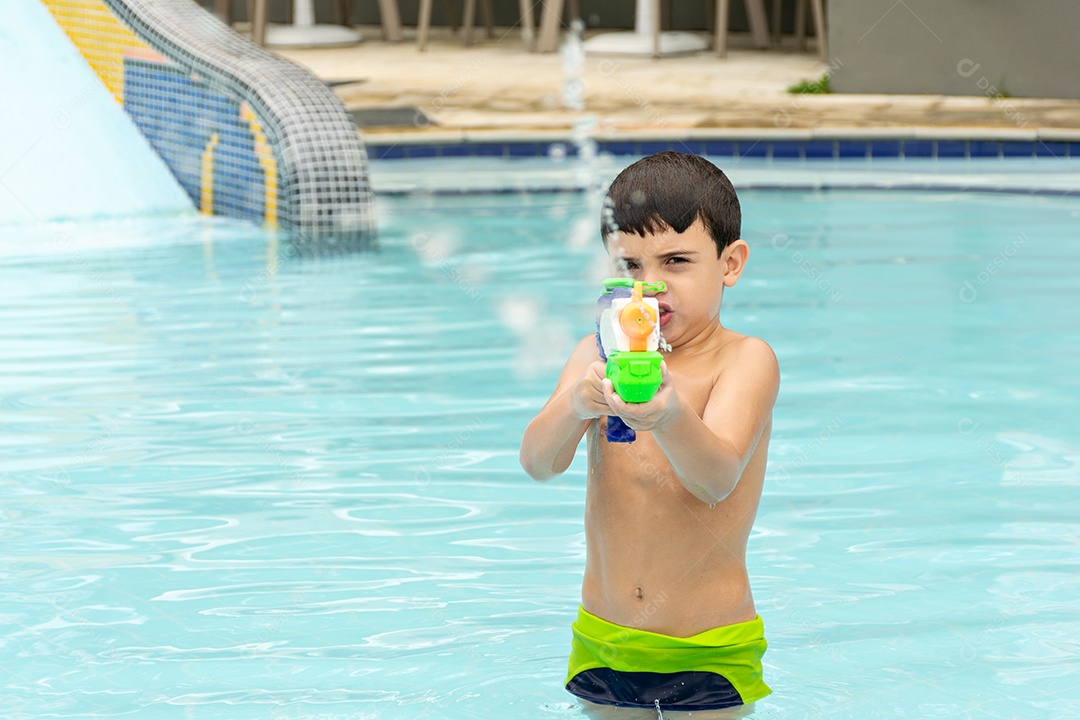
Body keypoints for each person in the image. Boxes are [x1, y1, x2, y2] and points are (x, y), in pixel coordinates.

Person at [519, 152, 778, 717]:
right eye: (630, 265)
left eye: (677, 260)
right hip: (603, 642)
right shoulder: (596, 356)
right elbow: (538, 463)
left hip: (708, 650)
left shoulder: (742, 361)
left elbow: (716, 478)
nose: (650, 285)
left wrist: (669, 417)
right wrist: (574, 404)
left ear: (730, 264)